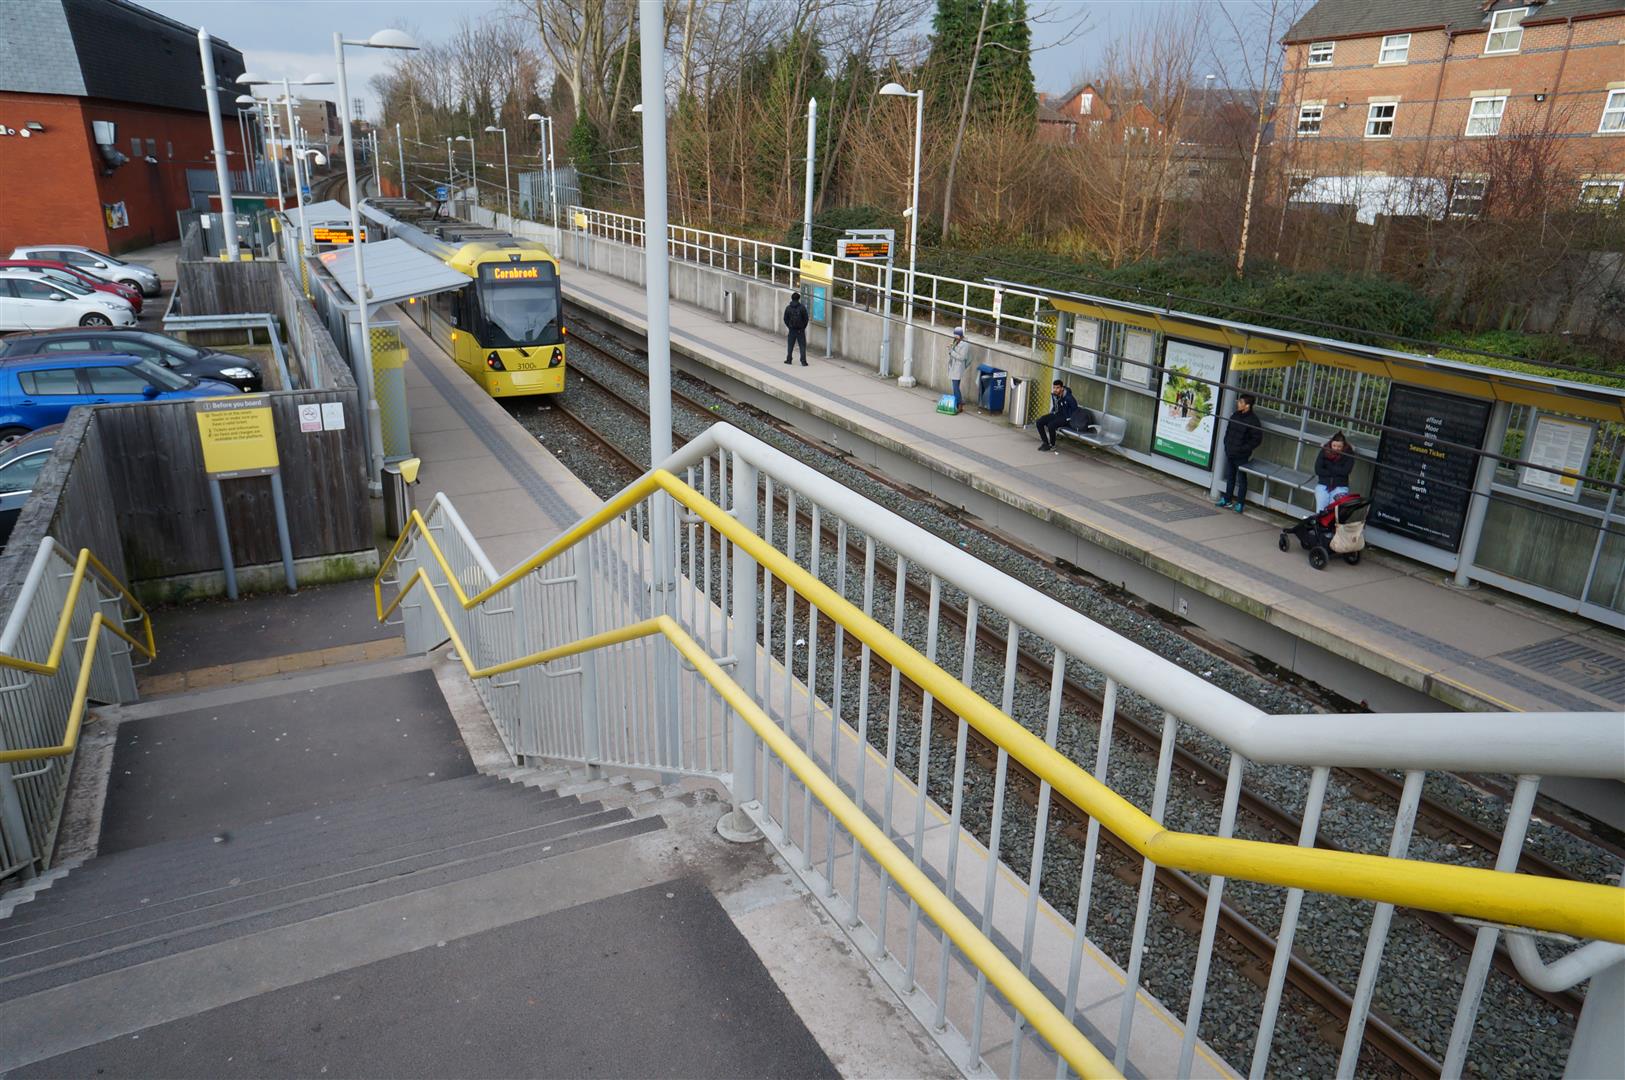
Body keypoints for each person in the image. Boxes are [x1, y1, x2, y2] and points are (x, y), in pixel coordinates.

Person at [1216, 392, 1263, 513]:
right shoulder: (1235, 415)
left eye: (1241, 402)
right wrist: (1226, 444)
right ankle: (1227, 500)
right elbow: (1228, 431)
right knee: (1230, 476)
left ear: (1247, 405)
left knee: (1242, 479)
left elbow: (1256, 440)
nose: (1238, 403)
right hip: (1230, 452)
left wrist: (1243, 449)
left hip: (1241, 455)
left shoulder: (1254, 421)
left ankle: (1240, 503)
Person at [1036, 379, 1085, 451]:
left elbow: (1075, 410)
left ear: (1062, 388)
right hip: (1057, 414)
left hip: (1066, 418)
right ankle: (1045, 443)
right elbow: (1055, 407)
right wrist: (1052, 413)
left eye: (1057, 388)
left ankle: (1052, 445)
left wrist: (1069, 418)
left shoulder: (1069, 397)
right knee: (1039, 422)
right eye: (1054, 388)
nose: (1055, 390)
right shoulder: (1054, 395)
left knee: (1051, 425)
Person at [1314, 431, 1355, 512]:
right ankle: (1320, 520)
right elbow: (1318, 470)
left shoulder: (1349, 454)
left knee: (1334, 511)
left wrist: (1328, 466)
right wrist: (1336, 472)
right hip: (1324, 484)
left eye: (1339, 446)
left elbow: (1345, 472)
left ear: (1343, 446)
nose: (1336, 448)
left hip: (1340, 486)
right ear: (1331, 444)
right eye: (1334, 446)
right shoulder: (1324, 451)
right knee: (1321, 511)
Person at [945, 327, 972, 412]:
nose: (955, 337)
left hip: (958, 367)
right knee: (955, 387)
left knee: (955, 387)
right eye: (955, 336)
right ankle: (958, 403)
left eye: (957, 336)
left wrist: (951, 352)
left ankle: (959, 404)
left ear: (960, 335)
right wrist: (950, 348)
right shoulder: (956, 341)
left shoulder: (965, 344)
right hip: (954, 366)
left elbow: (962, 357)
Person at [783, 291, 809, 366]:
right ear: (798, 299)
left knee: (790, 345)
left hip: (792, 330)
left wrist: (789, 326)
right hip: (800, 330)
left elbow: (785, 319)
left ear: (792, 298)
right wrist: (803, 327)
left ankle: (789, 359)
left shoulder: (788, 308)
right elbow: (806, 319)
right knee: (802, 346)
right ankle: (803, 361)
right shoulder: (802, 308)